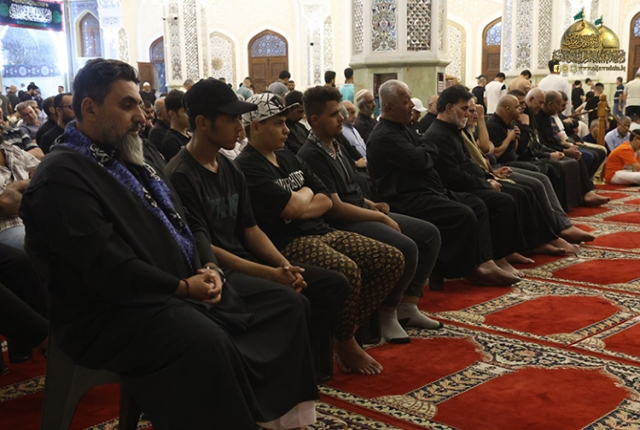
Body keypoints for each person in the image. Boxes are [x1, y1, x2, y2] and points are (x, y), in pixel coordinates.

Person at [19, 59, 319, 430]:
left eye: (140, 105)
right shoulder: (62, 175)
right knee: (205, 340)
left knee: (285, 305)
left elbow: (188, 225)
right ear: (89, 108)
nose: (141, 117)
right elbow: (107, 266)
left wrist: (209, 267)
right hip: (111, 310)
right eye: (127, 105)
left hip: (174, 284)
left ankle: (273, 420)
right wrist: (182, 287)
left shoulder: (137, 154)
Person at [164, 78, 350, 377]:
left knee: (332, 283)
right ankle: (278, 382)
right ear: (203, 123)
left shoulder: (229, 167)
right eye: (232, 119)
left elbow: (251, 230)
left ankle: (310, 370)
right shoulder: (181, 175)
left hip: (246, 262)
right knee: (292, 301)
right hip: (215, 271)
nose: (241, 128)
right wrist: (271, 274)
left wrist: (284, 266)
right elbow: (205, 247)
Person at [236, 92, 404, 375]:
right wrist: (304, 196)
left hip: (322, 230)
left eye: (285, 122)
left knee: (391, 259)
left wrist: (299, 202)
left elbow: (325, 199)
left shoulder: (287, 157)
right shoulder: (247, 166)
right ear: (256, 127)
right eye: (278, 123)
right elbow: (291, 209)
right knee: (347, 271)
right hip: (289, 242)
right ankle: (346, 342)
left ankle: (343, 332)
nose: (287, 129)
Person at [297, 85, 442, 343]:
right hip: (342, 222)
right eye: (334, 114)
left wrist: (372, 205)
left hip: (361, 210)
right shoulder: (311, 154)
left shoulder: (335, 143)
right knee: (406, 246)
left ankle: (408, 305)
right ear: (315, 120)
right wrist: (380, 217)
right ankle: (387, 313)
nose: (341, 118)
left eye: (340, 112)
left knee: (429, 234)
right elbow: (335, 207)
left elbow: (349, 189)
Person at [366, 80, 521, 286]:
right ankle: (467, 268)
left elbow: (425, 154)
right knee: (462, 213)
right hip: (406, 197)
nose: (412, 105)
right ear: (389, 107)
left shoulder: (404, 129)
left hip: (425, 189)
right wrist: (426, 153)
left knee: (476, 204)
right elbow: (422, 160)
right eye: (406, 102)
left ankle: (485, 262)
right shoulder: (384, 135)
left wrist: (425, 153)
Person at [0, 135, 40, 249]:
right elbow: (7, 202)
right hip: (6, 228)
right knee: (45, 243)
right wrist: (32, 184)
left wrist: (17, 186)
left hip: (37, 220)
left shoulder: (11, 150)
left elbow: (46, 176)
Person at [159, 90, 190, 161]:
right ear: (172, 114)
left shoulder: (190, 135)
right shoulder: (171, 141)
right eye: (185, 112)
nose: (189, 115)